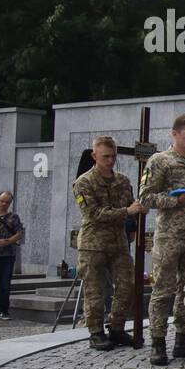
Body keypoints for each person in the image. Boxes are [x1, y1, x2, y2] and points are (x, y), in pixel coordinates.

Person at [140, 114, 185, 366]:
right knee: (162, 290)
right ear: (175, 134)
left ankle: (184, 339)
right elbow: (146, 198)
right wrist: (175, 201)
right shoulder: (160, 161)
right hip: (169, 237)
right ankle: (158, 342)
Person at [72, 136, 143, 350]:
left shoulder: (122, 181)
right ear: (94, 156)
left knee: (128, 284)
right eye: (105, 157)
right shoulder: (83, 182)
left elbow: (132, 206)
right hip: (93, 244)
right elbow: (93, 213)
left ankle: (117, 327)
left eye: (113, 156)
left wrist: (139, 209)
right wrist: (127, 212)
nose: (110, 161)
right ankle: (95, 332)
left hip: (118, 243)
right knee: (95, 290)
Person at [0, 191, 25, 320]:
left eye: (7, 202)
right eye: (2, 201)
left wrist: (6, 242)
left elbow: (19, 233)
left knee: (5, 283)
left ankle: (4, 310)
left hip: (8, 255)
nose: (4, 204)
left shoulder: (14, 217)